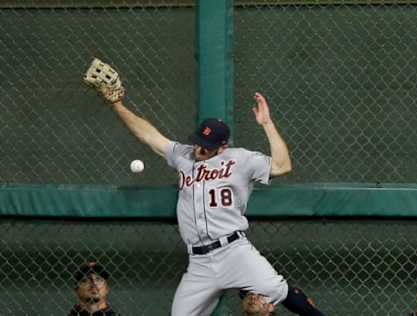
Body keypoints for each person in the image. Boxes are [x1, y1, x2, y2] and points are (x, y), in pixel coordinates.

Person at [107, 89, 325, 316]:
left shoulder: (240, 159)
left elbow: (282, 165)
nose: (200, 148)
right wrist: (118, 105)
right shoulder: (184, 155)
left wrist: (267, 123)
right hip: (199, 263)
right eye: (199, 141)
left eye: (207, 145)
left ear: (222, 146)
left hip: (234, 251)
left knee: (277, 290)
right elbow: (149, 136)